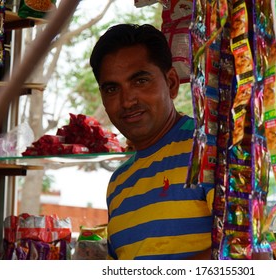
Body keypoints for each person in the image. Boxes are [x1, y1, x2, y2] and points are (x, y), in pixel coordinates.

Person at [89, 23, 214, 260]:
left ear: (171, 83)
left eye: (140, 81)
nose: (127, 101)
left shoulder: (206, 147)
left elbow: (244, 249)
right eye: (112, 88)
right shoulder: (118, 184)